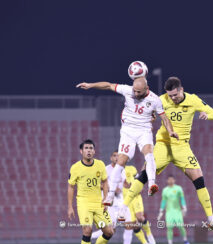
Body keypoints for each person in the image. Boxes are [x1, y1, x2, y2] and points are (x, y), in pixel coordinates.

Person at [122, 76, 213, 230]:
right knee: (144, 175)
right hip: (163, 145)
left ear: (181, 89)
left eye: (175, 95)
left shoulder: (193, 100)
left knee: (199, 179)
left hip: (182, 147)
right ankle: (122, 209)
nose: (173, 98)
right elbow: (147, 114)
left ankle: (211, 219)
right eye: (170, 96)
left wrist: (207, 115)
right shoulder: (161, 99)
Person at [76, 77, 179, 211]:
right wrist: (90, 84)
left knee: (149, 153)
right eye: (134, 91)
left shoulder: (155, 99)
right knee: (121, 161)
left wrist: (170, 131)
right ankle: (110, 195)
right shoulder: (127, 90)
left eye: (138, 92)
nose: (135, 94)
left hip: (144, 130)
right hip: (128, 131)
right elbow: (108, 85)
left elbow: (164, 117)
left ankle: (152, 185)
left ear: (146, 89)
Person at [67, 139, 114, 244]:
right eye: (86, 148)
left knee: (109, 232)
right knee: (87, 230)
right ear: (81, 151)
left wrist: (106, 199)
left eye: (91, 148)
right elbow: (71, 187)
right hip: (84, 203)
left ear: (94, 151)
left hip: (98, 204)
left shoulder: (100, 165)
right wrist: (70, 207)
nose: (89, 150)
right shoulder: (75, 168)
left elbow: (105, 182)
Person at [91, 150, 133, 244]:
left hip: (121, 201)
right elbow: (97, 185)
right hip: (109, 202)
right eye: (115, 156)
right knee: (110, 229)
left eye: (119, 156)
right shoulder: (105, 170)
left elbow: (125, 184)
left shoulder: (124, 170)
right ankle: (91, 236)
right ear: (111, 158)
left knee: (129, 224)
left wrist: (131, 184)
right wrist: (111, 189)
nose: (117, 158)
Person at [122, 165, 156, 244]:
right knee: (134, 225)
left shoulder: (132, 168)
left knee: (140, 217)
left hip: (135, 196)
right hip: (124, 200)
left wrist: (139, 187)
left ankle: (149, 234)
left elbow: (139, 179)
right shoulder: (113, 171)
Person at [157, 175, 190, 244]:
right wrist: (161, 210)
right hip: (169, 212)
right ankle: (170, 243)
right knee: (169, 227)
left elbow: (182, 198)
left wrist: (184, 207)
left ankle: (185, 240)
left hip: (177, 211)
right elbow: (163, 201)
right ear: (167, 181)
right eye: (169, 179)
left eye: (172, 179)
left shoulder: (178, 188)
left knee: (180, 226)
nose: (171, 181)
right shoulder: (165, 190)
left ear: (174, 180)